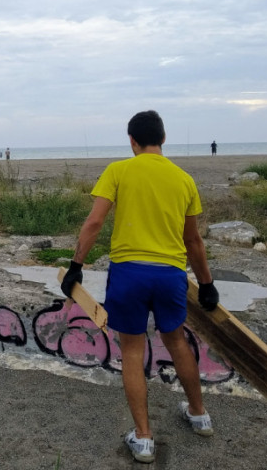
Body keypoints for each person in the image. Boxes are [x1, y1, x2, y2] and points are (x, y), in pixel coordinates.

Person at [60, 110, 219, 464]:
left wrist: (76, 266)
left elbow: (95, 221)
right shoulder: (183, 179)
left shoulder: (118, 170)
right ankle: (199, 414)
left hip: (129, 273)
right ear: (163, 139)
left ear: (132, 141)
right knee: (177, 341)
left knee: (132, 351)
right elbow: (193, 241)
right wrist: (206, 284)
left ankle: (144, 439)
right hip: (170, 274)